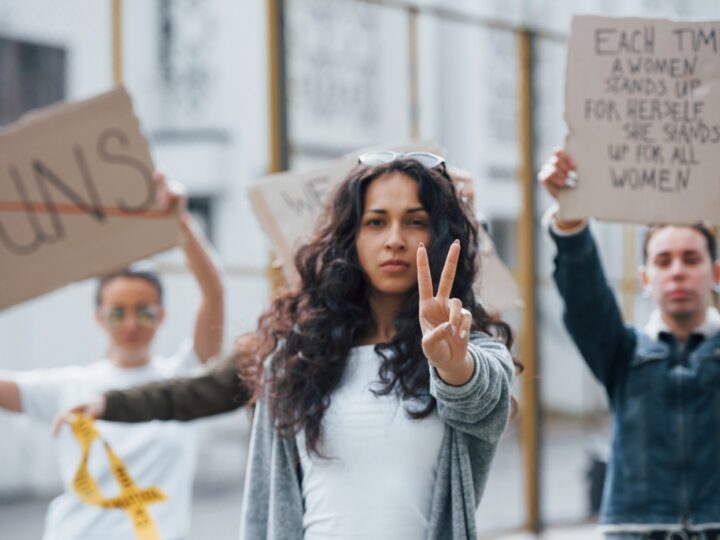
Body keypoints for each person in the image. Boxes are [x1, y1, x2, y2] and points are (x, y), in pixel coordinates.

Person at [237, 152, 515, 540]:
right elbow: (261, 509)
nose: (395, 240)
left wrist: (453, 366)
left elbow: (481, 397)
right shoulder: (295, 359)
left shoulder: (468, 349)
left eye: (415, 221)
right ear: (350, 236)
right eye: (376, 222)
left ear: (439, 237)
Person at [0, 172, 224, 540]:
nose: (132, 323)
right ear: (99, 317)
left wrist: (179, 221)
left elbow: (213, 293)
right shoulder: (69, 386)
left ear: (162, 314)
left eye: (145, 310)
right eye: (118, 312)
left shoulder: (184, 382)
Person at [539, 149, 720, 540]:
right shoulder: (623, 353)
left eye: (691, 259)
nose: (677, 272)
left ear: (715, 271)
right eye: (664, 260)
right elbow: (586, 302)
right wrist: (570, 221)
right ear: (645, 277)